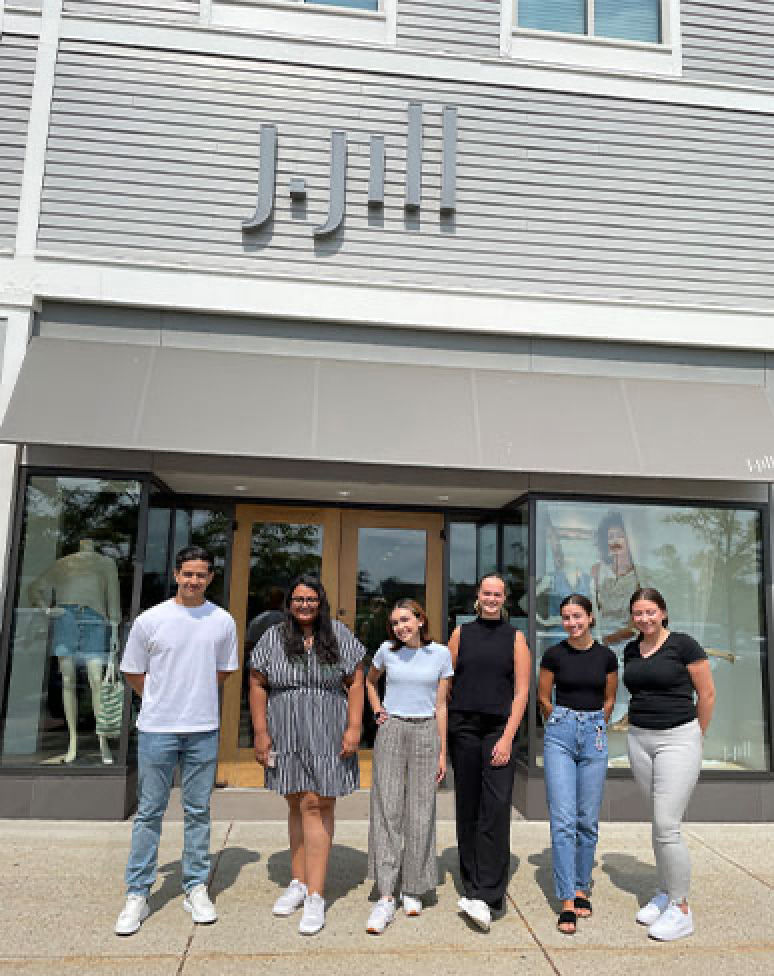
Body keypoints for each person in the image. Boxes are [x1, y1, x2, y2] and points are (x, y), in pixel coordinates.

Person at [114, 546, 238, 936]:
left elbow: (222, 672)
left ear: (210, 578)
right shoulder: (151, 620)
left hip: (202, 727)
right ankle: (137, 893)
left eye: (200, 575)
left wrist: (191, 695)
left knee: (198, 810)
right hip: (156, 728)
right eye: (187, 574)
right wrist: (161, 697)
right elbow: (134, 672)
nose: (193, 581)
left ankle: (195, 886)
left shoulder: (221, 621)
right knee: (149, 812)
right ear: (176, 574)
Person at [249, 575, 365, 936]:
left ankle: (316, 894)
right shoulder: (273, 636)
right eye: (298, 599)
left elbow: (357, 681)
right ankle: (297, 883)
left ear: (321, 601)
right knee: (296, 801)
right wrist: (260, 732)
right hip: (286, 726)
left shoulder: (339, 635)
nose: (304, 605)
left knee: (318, 804)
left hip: (328, 726)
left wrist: (353, 728)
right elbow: (256, 682)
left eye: (310, 599)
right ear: (290, 602)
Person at [624, 587, 716, 942]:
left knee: (667, 825)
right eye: (638, 613)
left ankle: (680, 909)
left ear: (663, 612)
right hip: (640, 739)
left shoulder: (684, 645)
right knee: (659, 822)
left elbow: (706, 694)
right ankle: (664, 891)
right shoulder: (632, 649)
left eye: (650, 612)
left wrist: (697, 735)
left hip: (678, 737)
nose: (644, 618)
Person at [447, 573, 531, 931]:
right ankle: (471, 884)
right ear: (477, 597)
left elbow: (522, 693)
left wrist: (508, 737)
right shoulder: (460, 634)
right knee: (468, 806)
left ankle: (489, 894)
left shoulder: (516, 638)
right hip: (464, 729)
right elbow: (446, 683)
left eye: (498, 594)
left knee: (495, 808)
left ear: (505, 598)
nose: (492, 598)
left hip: (499, 730)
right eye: (486, 593)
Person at [364, 599, 453, 934]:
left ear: (420, 620)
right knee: (387, 807)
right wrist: (377, 712)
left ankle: (414, 886)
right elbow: (370, 681)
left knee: (421, 809)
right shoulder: (386, 651)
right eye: (395, 623)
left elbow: (441, 705)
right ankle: (386, 893)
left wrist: (443, 751)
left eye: (405, 620)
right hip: (393, 729)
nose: (400, 627)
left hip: (426, 730)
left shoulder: (441, 654)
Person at [537, 593, 618, 935]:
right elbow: (543, 696)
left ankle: (583, 885)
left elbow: (610, 698)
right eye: (566, 618)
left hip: (595, 733)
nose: (572, 623)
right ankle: (567, 898)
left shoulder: (606, 656)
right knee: (563, 819)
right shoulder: (554, 654)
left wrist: (598, 722)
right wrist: (558, 719)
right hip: (561, 734)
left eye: (577, 617)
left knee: (587, 819)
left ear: (590, 618)